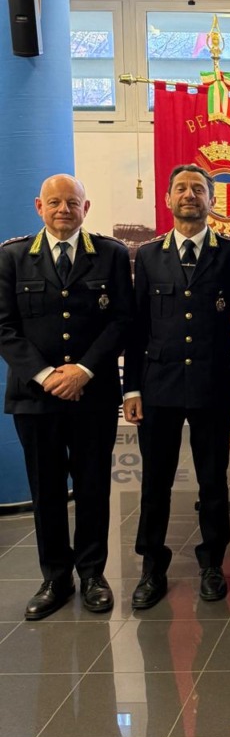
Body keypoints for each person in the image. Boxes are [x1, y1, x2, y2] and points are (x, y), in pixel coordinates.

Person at [0, 174, 133, 619]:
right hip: (35, 397)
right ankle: (55, 577)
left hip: (92, 394)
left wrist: (83, 370)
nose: (63, 210)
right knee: (47, 489)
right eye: (54, 202)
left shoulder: (111, 254)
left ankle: (93, 574)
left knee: (93, 485)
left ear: (85, 208)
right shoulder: (13, 256)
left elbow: (122, 320)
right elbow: (4, 327)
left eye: (72, 203)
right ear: (39, 206)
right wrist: (45, 375)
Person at [122, 165, 230, 609]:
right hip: (158, 385)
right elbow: (137, 328)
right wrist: (131, 389)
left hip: (213, 383)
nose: (190, 195)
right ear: (168, 199)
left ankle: (212, 562)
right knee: (155, 481)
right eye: (181, 188)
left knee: (213, 480)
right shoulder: (149, 255)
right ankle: (151, 566)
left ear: (212, 200)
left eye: (199, 189)